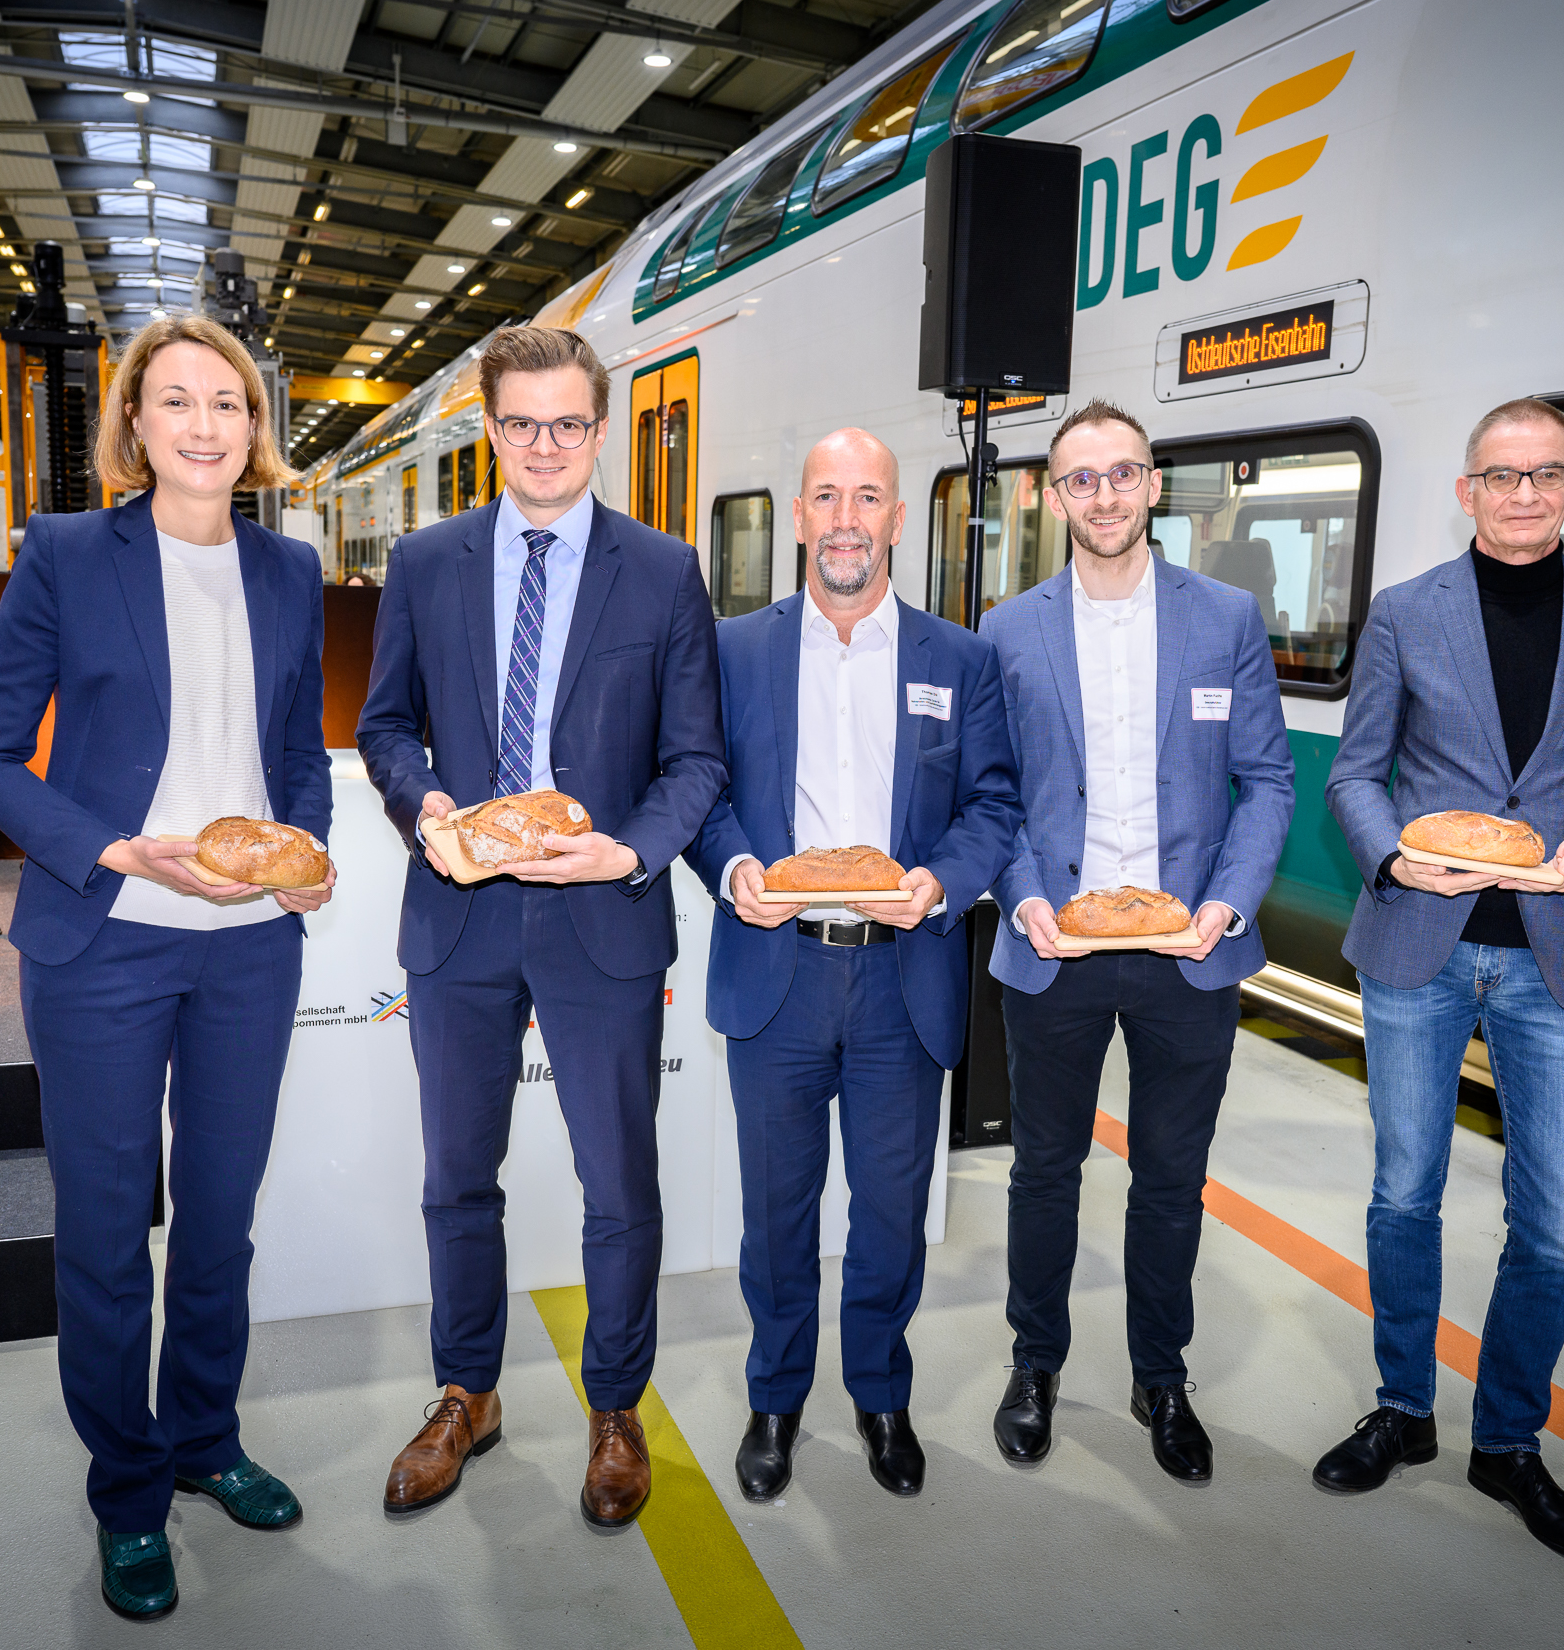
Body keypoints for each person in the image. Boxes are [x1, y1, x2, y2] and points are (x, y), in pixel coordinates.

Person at [0, 314, 333, 1621]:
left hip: (249, 951)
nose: (204, 424)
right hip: (104, 941)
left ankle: (204, 1439)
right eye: (176, 400)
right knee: (110, 1236)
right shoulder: (66, 552)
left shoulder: (289, 567)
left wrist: (305, 856)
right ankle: (127, 1491)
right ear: (134, 421)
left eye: (228, 401)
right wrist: (112, 850)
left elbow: (297, 754)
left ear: (254, 427)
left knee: (219, 1221)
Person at [1315, 398, 1564, 1566]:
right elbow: (1353, 774)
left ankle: (1506, 1442)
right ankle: (1402, 1409)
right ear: (1465, 490)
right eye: (1500, 474)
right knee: (1403, 1194)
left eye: (1544, 474)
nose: (1522, 493)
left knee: (1556, 1228)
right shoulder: (1403, 613)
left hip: (1553, 953)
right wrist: (1393, 855)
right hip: (1417, 949)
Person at [356, 326, 725, 1531]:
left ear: (600, 429)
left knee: (617, 1183)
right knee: (457, 1179)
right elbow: (384, 725)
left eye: (568, 423)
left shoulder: (662, 571)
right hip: (459, 918)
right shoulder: (427, 561)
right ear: (490, 429)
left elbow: (695, 759)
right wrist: (424, 806)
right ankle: (466, 1393)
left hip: (599, 919)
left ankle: (615, 1408)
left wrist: (630, 850)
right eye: (521, 423)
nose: (545, 445)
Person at [684, 429, 1020, 1502]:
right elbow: (699, 785)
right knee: (776, 1213)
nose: (845, 519)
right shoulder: (732, 650)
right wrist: (732, 865)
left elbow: (993, 805)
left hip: (899, 977)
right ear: (796, 516)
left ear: (896, 520)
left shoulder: (958, 659)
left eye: (866, 497)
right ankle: (775, 1397)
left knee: (888, 1212)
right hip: (776, 969)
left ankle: (880, 1395)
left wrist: (940, 882)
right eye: (825, 496)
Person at [980, 399, 1296, 1484]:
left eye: (1123, 473)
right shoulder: (1007, 629)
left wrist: (1229, 902)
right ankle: (1034, 1363)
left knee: (1170, 1177)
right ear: (1051, 496)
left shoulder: (1225, 618)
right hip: (1055, 947)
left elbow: (1267, 780)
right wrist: (1023, 895)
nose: (1104, 495)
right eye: (1081, 478)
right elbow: (993, 792)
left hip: (1187, 950)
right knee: (1044, 1171)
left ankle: (1160, 1377)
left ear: (1154, 485)